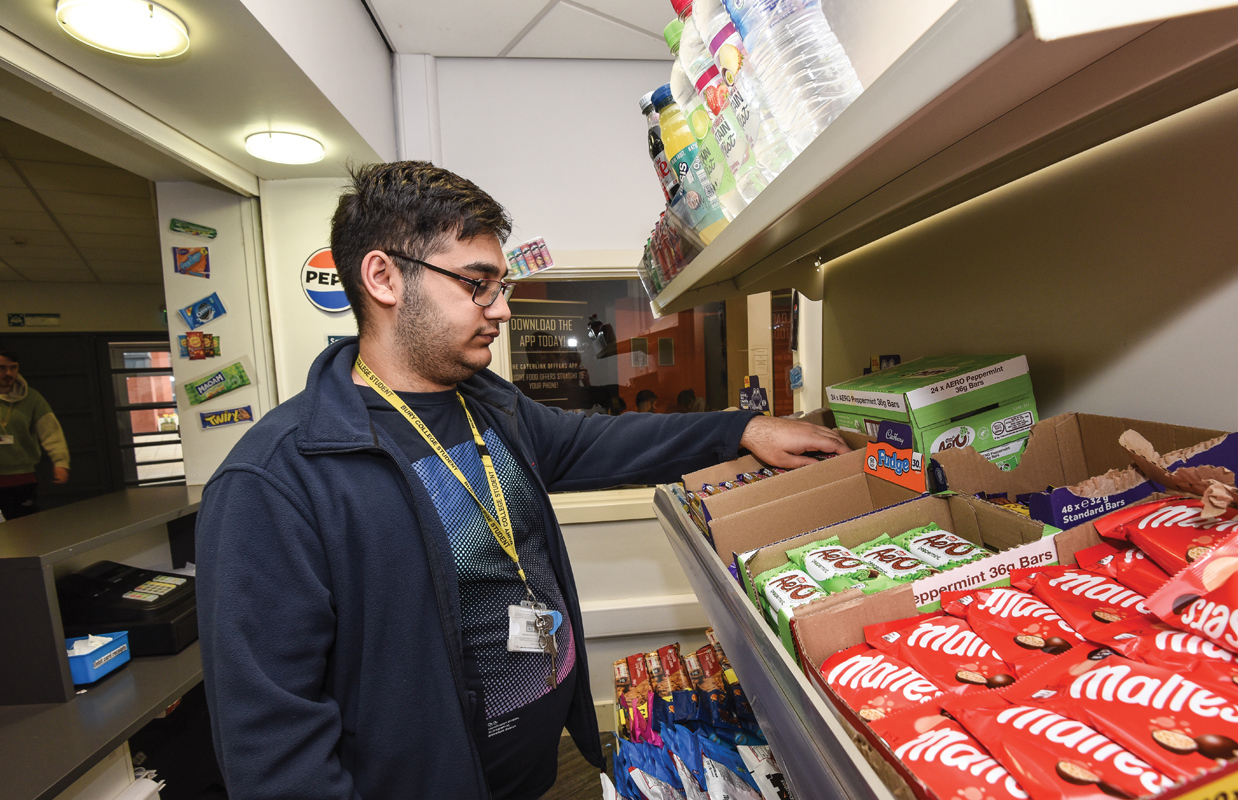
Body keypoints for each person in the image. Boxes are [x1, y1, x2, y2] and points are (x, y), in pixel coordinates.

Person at [194, 162, 848, 800]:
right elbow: (273, 740)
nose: (501, 309)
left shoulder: (487, 405)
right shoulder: (276, 478)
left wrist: (742, 430)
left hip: (540, 765)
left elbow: (600, 439)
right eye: (478, 283)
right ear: (384, 276)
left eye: (500, 285)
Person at [0, 349, 69, 521]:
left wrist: (61, 462)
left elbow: (51, 432)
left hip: (20, 478)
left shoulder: (32, 398)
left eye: (13, 367)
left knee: (25, 530)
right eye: (1, 368)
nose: (8, 373)